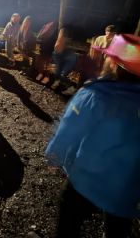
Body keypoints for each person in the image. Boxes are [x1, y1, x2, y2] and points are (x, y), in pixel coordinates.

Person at [45, 34, 140, 238]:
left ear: (113, 63)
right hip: (125, 188)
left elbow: (70, 127)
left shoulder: (96, 94)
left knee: (69, 218)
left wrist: (54, 155)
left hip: (87, 178)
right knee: (117, 228)